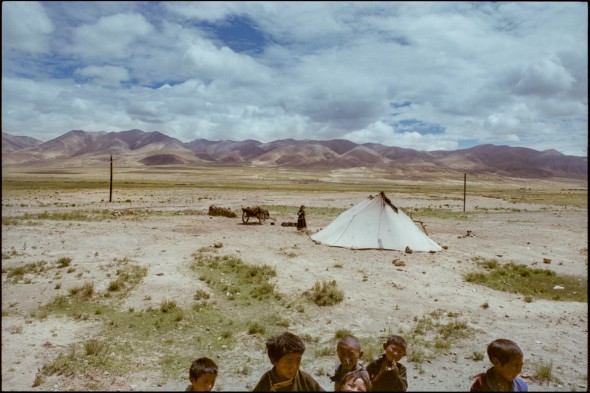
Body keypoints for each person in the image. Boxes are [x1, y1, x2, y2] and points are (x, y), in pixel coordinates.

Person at [253, 331, 324, 391]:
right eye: (288, 362)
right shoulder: (266, 382)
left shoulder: (305, 380)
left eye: (298, 361)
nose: (294, 367)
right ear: (274, 361)